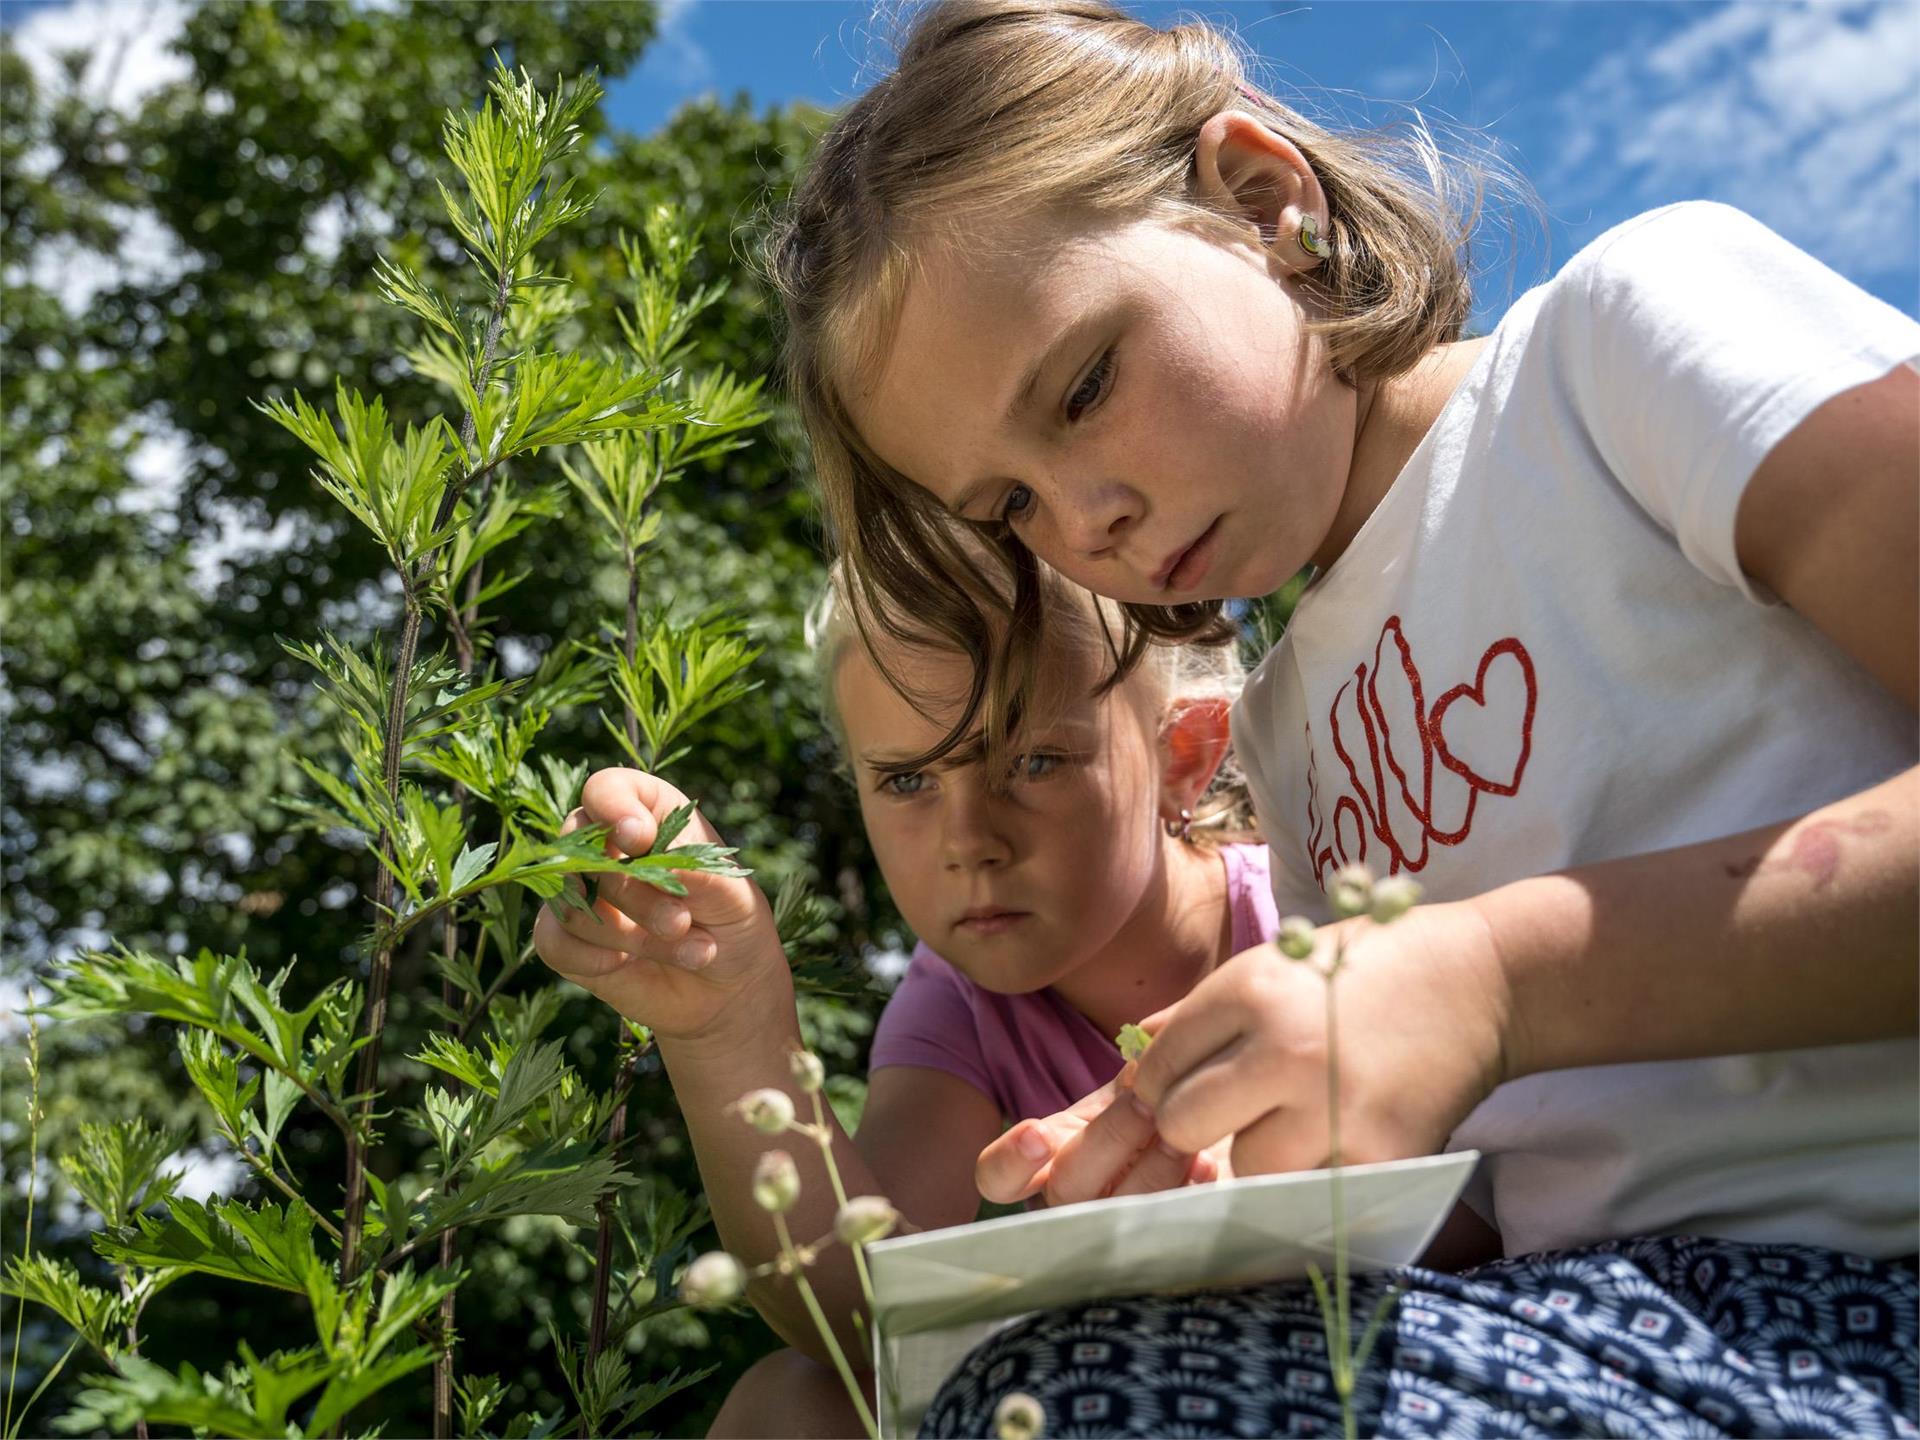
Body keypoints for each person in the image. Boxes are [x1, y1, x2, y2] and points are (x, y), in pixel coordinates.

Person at [763, 0, 1920, 1432]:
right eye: (1007, 506)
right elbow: (1494, 1198)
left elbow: (1489, 1008)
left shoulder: (1622, 346)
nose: (1085, 519)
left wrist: (1493, 985)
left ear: (1263, 204)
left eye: (1083, 386)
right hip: (1592, 1321)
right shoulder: (1297, 725)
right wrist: (1196, 1169)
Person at [533, 561, 1282, 1437]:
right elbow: (863, 1319)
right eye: (908, 781)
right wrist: (728, 1029)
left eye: (1033, 760)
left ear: (1182, 756)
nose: (970, 842)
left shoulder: (1301, 912)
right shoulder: (956, 1000)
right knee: (790, 1408)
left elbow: (1477, 1203)